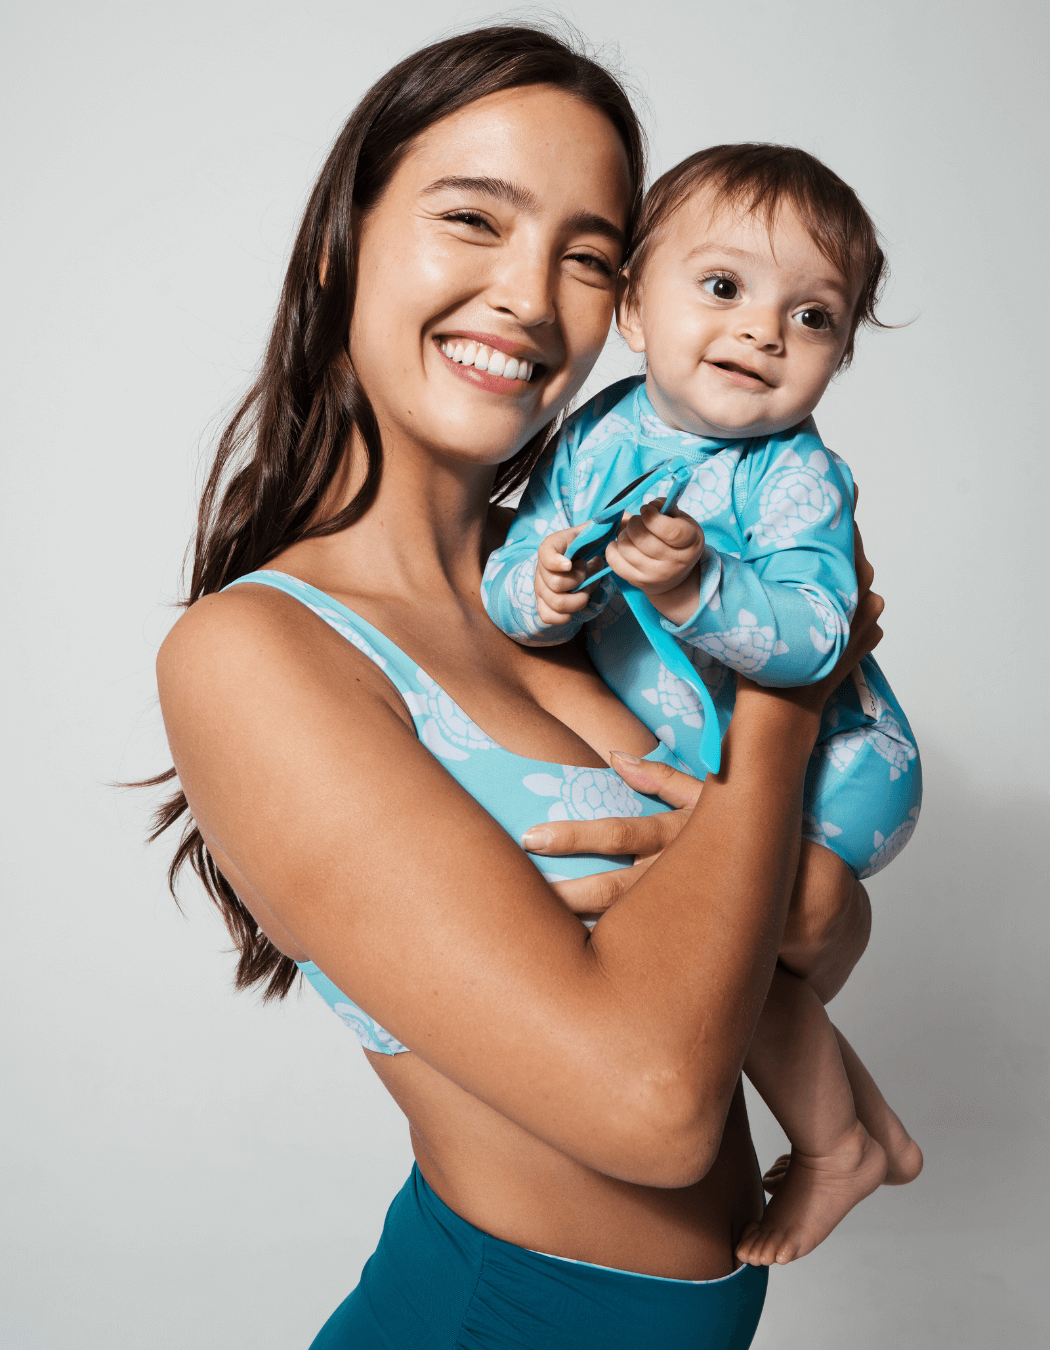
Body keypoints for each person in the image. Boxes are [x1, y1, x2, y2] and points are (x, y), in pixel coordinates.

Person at [152, 26, 885, 1348]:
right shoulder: (259, 652)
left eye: (588, 254)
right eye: (472, 221)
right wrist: (783, 697)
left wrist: (786, 883)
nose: (529, 296)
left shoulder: (587, 595)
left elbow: (819, 937)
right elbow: (657, 1100)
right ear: (344, 242)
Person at [481, 143, 924, 1264]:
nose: (765, 331)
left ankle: (834, 1149)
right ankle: (865, 1133)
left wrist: (697, 586)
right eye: (724, 288)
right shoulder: (597, 431)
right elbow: (526, 558)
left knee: (719, 942)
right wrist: (539, 589)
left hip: (840, 764)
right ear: (634, 307)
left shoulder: (796, 476)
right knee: (723, 949)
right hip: (711, 754)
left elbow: (822, 635)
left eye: (814, 316)